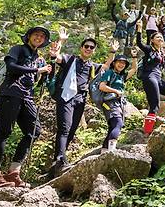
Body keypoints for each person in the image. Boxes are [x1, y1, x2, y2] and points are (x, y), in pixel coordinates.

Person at [0, 26, 52, 190]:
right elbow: (11, 66)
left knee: (34, 131)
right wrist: (37, 69)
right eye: (36, 34)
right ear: (29, 36)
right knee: (4, 132)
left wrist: (49, 65)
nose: (39, 37)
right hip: (10, 93)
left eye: (42, 36)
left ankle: (13, 173)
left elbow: (43, 81)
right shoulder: (18, 49)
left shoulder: (39, 58)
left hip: (27, 97)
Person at [48, 36, 119, 176]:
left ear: (94, 51)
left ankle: (56, 164)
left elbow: (107, 66)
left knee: (72, 130)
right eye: (86, 46)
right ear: (81, 48)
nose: (88, 49)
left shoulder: (92, 66)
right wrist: (61, 42)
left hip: (80, 99)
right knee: (64, 128)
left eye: (91, 47)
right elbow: (56, 57)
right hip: (66, 97)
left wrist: (112, 51)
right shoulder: (70, 59)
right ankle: (60, 160)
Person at [98, 47, 138, 153]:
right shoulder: (109, 73)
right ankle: (112, 151)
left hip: (118, 103)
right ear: (114, 63)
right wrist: (116, 91)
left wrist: (134, 57)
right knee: (118, 123)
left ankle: (105, 150)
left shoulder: (122, 76)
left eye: (123, 63)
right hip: (109, 102)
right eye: (119, 62)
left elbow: (134, 70)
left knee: (113, 125)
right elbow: (102, 86)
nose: (121, 65)